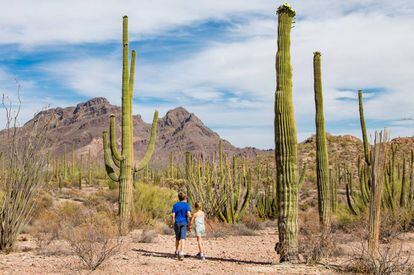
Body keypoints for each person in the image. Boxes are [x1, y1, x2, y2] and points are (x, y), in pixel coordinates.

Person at [171, 192, 191, 260]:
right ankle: (181, 252)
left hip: (177, 222)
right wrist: (191, 217)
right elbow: (189, 214)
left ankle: (176, 251)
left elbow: (173, 215)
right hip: (184, 223)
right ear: (185, 198)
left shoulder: (175, 205)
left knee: (177, 238)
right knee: (183, 238)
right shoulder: (186, 205)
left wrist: (173, 222)